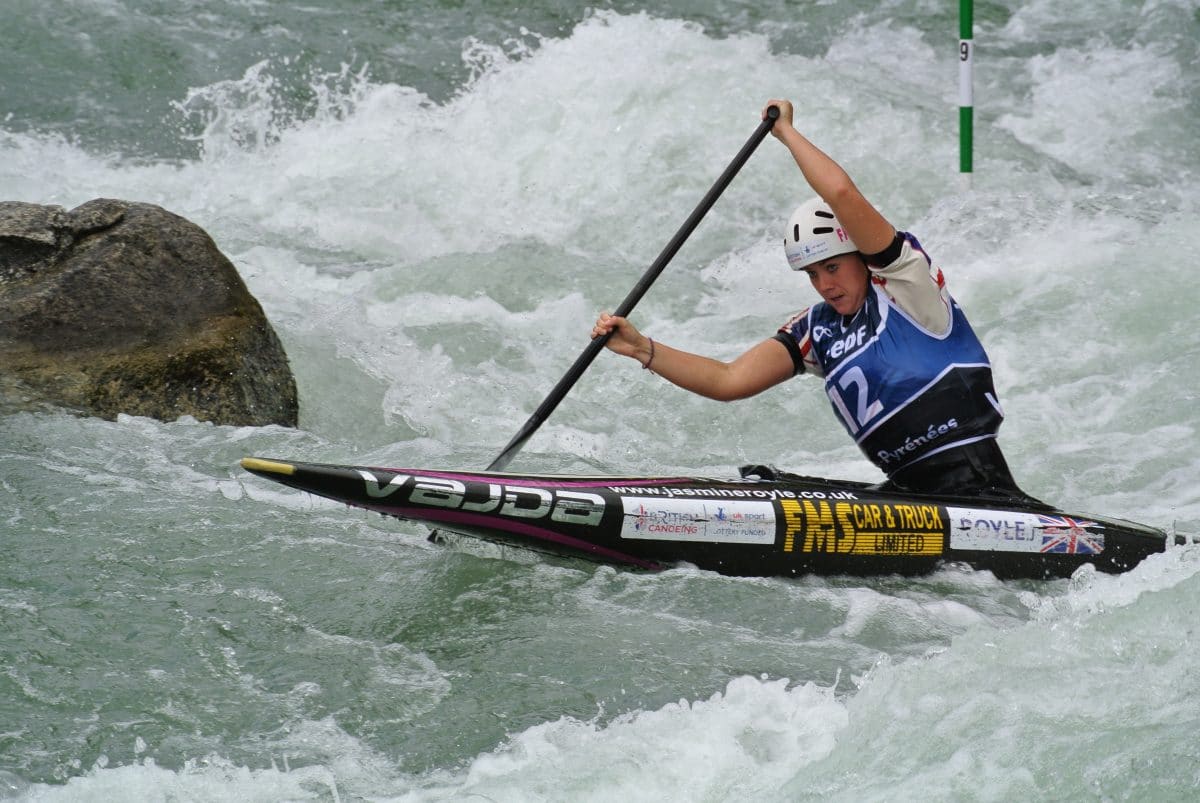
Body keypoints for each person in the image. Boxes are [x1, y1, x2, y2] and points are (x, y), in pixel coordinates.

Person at [592, 98, 1032, 500]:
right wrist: (642, 348)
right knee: (760, 480)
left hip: (980, 490)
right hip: (908, 495)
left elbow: (841, 194)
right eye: (813, 274)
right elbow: (728, 380)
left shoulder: (907, 286)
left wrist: (786, 133)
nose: (824, 284)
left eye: (833, 267)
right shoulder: (815, 329)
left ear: (862, 256)